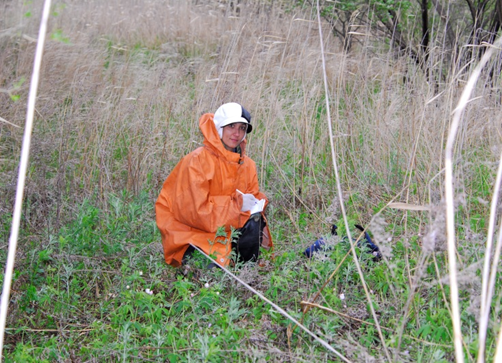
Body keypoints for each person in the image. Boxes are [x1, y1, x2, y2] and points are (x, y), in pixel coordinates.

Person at [155, 102, 273, 268]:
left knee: (254, 220)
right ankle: (208, 266)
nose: (236, 133)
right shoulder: (196, 161)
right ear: (218, 128)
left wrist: (257, 202)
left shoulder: (248, 165)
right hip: (192, 235)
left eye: (242, 128)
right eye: (231, 126)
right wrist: (238, 206)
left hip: (227, 232)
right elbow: (197, 213)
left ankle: (246, 271)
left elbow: (251, 201)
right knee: (209, 278)